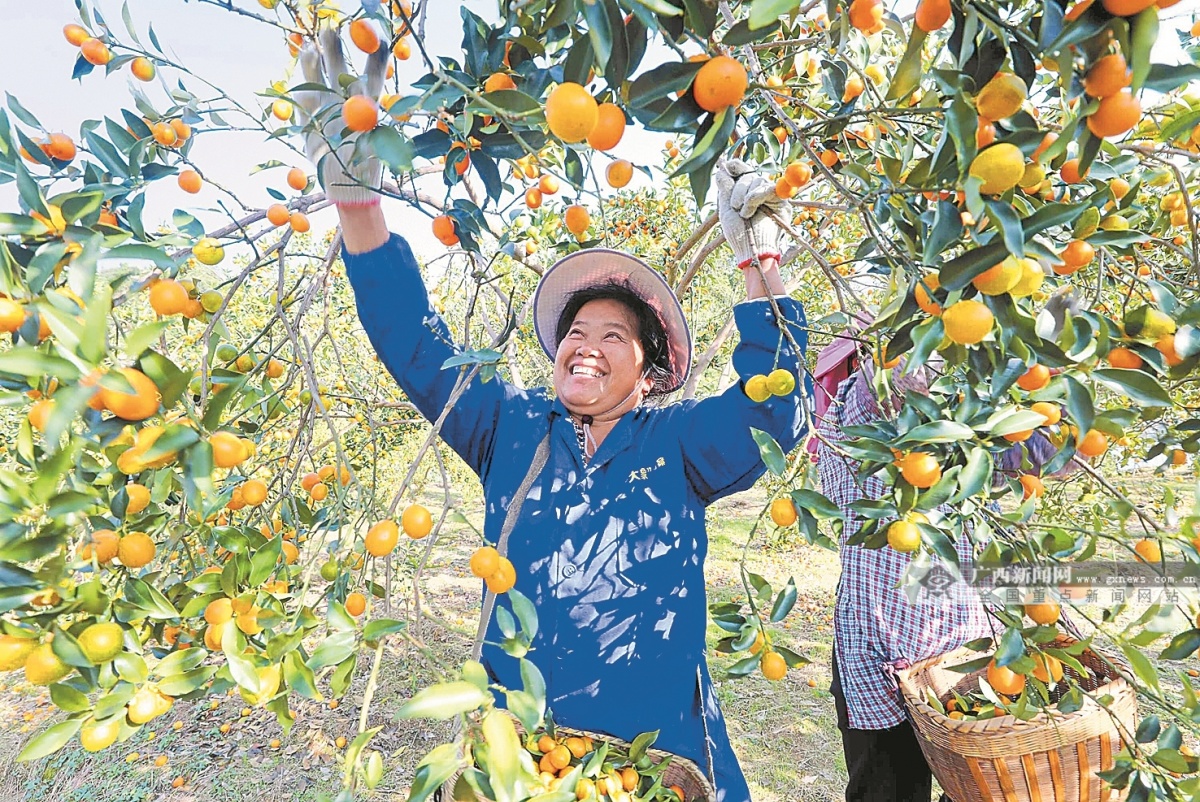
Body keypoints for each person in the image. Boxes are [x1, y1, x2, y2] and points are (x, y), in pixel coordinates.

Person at [296, 32, 809, 801]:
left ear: (651, 370)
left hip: (654, 755)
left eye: (613, 337)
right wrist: (359, 208)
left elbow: (775, 409)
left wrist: (762, 276)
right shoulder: (507, 426)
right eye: (575, 333)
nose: (586, 348)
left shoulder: (679, 443)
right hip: (525, 758)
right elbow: (415, 344)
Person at [814, 325, 1065, 802]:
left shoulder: (966, 444)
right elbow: (889, 384)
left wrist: (1053, 362)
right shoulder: (862, 424)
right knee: (886, 789)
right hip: (877, 649)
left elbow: (1050, 456)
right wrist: (943, 318)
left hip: (960, 651)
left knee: (972, 787)